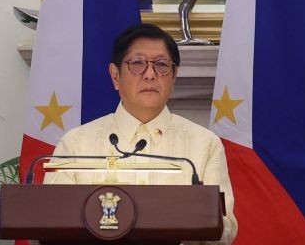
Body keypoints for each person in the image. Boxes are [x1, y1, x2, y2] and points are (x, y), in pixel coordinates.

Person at [45, 23, 237, 244]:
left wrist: (188, 220)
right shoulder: (75, 145)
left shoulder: (205, 144)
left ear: (174, 76)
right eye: (137, 63)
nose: (150, 74)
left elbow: (225, 230)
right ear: (115, 76)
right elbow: (51, 224)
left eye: (161, 65)